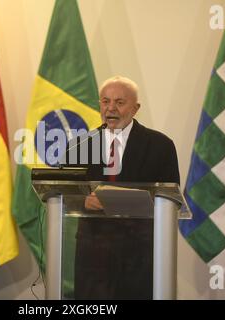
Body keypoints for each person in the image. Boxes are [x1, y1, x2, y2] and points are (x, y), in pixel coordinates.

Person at [67, 76, 180, 299]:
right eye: (105, 101)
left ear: (135, 108)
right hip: (93, 254)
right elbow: (66, 192)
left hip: (139, 253)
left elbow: (171, 199)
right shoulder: (80, 145)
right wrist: (83, 200)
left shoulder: (160, 145)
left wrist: (132, 200)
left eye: (119, 102)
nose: (111, 108)